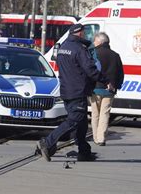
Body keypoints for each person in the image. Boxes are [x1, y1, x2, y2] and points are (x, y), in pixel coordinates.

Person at [36, 24, 112, 162]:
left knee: (81, 123)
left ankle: (84, 152)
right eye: (84, 33)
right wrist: (106, 81)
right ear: (80, 33)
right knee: (74, 120)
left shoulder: (62, 47)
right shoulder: (79, 49)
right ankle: (47, 142)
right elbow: (90, 69)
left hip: (66, 90)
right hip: (77, 91)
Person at [90, 32, 124, 146]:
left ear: (100, 41)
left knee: (95, 114)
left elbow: (90, 71)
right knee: (105, 114)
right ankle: (101, 138)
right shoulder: (115, 55)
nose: (93, 43)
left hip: (95, 89)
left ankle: (95, 137)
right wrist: (116, 86)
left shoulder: (94, 53)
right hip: (110, 90)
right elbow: (120, 73)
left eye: (95, 40)